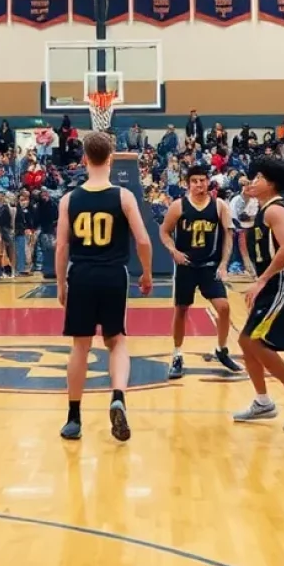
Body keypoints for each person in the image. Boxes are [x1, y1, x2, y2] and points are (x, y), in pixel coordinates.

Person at [56, 131, 153, 443]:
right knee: (117, 342)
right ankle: (118, 397)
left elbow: (61, 247)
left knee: (80, 347)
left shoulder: (69, 200)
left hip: (81, 275)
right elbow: (143, 240)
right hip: (113, 275)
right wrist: (147, 273)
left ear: (84, 159)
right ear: (110, 158)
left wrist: (60, 284)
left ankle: (73, 418)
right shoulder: (123, 196)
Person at [232, 157, 284, 430]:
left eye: (257, 178)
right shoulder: (264, 209)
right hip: (275, 284)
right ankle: (263, 402)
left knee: (256, 342)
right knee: (246, 341)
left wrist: (262, 281)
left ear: (270, 183)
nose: (252, 181)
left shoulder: (276, 210)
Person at [160, 164, 241, 377]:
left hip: (209, 266)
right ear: (188, 184)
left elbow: (229, 236)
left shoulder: (219, 206)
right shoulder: (178, 206)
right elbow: (164, 232)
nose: (199, 184)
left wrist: (224, 264)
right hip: (185, 266)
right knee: (181, 310)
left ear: (208, 182)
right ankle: (177, 354)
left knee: (223, 308)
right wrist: (173, 250)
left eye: (202, 180)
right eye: (195, 181)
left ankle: (222, 349)